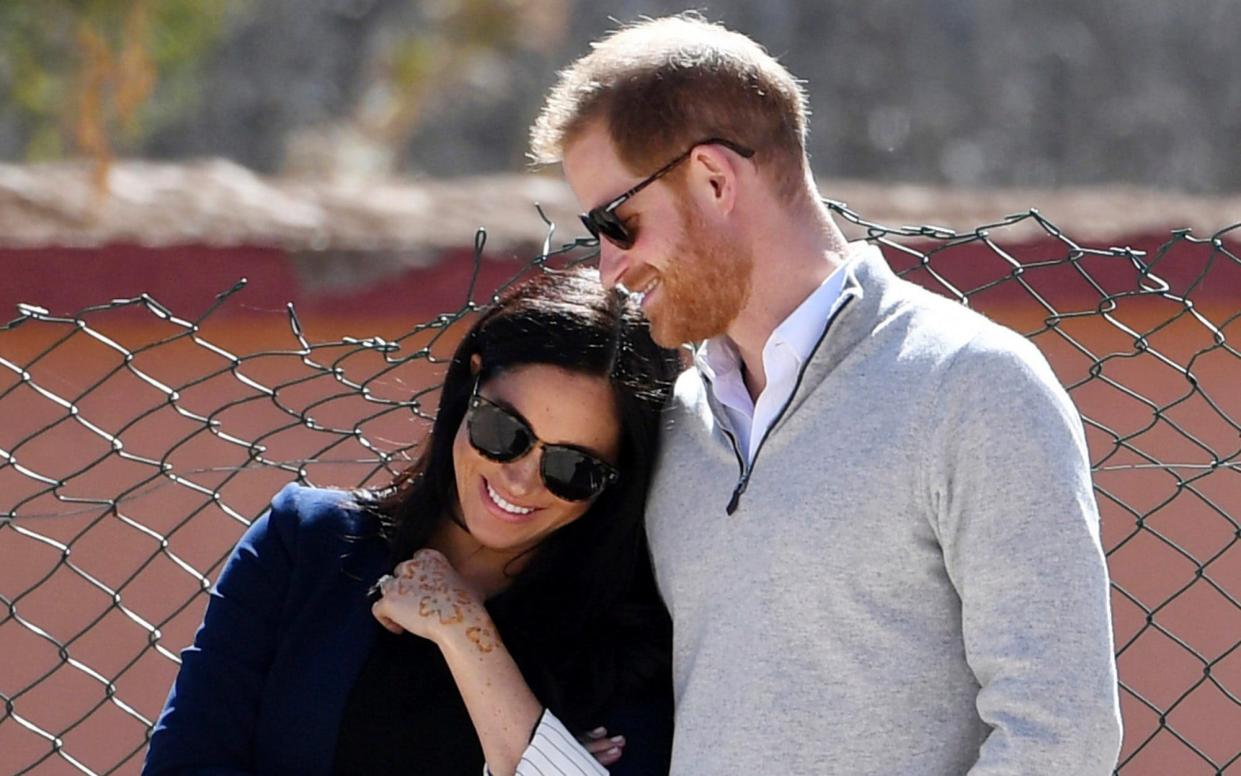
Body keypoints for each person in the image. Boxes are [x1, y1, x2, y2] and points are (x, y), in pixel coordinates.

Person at [530, 12, 1123, 775]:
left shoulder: (972, 385)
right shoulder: (673, 421)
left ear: (715, 179)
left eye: (618, 223)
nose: (607, 268)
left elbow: (1060, 736)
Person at [143, 268, 680, 776]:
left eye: (572, 468)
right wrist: (536, 755)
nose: (520, 480)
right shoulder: (306, 543)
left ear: (617, 478)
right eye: (504, 431)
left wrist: (467, 635)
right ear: (470, 383)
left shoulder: (628, 647)